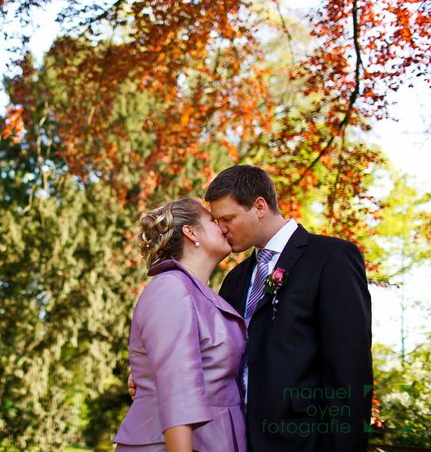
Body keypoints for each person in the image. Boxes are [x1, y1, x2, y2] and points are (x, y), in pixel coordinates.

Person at [203, 164, 373, 451]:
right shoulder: (234, 279)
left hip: (305, 442)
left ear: (259, 206)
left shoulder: (332, 258)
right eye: (217, 221)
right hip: (236, 439)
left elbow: (350, 370)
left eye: (227, 218)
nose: (221, 229)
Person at [113, 198, 247, 452]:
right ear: (191, 232)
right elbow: (177, 389)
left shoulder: (206, 296)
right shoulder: (170, 287)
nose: (222, 227)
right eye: (213, 221)